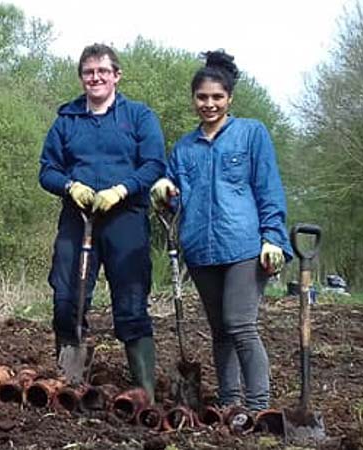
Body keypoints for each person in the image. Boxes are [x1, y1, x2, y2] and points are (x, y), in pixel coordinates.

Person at [151, 50, 293, 412]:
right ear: (193, 99)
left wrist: (273, 238)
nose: (209, 104)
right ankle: (230, 404)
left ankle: (258, 407)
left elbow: (268, 188)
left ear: (230, 98)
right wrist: (164, 191)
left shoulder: (250, 134)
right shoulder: (184, 148)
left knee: (240, 324)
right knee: (220, 331)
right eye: (202, 97)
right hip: (200, 250)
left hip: (245, 247)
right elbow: (174, 201)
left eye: (217, 97)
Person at [39, 44, 166, 400]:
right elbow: (47, 169)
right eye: (88, 72)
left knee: (131, 300)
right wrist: (69, 186)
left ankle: (144, 392)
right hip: (78, 218)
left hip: (125, 217)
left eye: (102, 72)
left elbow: (154, 164)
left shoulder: (139, 116)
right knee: (67, 297)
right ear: (81, 77)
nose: (95, 78)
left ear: (116, 76)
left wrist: (124, 189)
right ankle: (69, 382)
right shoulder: (67, 120)